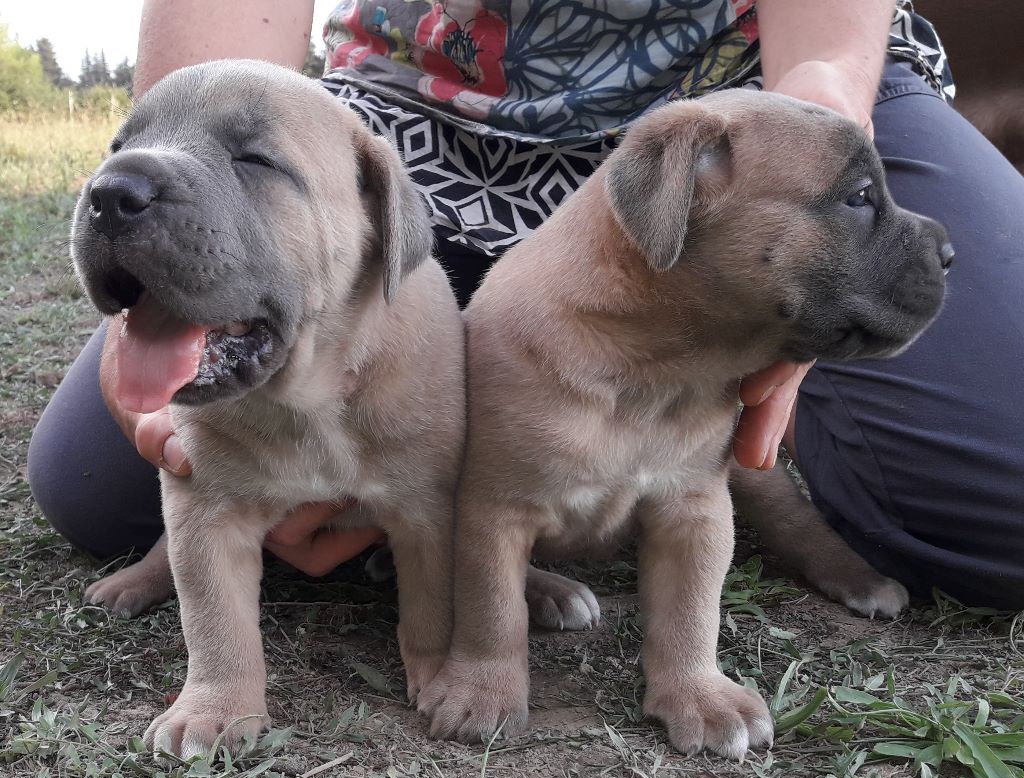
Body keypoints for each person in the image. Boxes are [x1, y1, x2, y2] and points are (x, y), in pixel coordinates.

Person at [28, 0, 1024, 608]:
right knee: (102, 482)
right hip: (423, 109)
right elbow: (196, 102)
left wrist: (815, 186)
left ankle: (710, 419)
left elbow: (822, 56)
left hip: (748, 99)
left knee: (1002, 500)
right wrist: (175, 242)